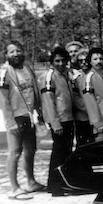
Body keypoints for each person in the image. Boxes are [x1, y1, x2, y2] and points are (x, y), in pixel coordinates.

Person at [0, 41, 45, 200]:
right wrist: (10, 122)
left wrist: (39, 112)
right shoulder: (4, 73)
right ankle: (14, 188)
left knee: (30, 150)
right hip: (15, 118)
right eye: (12, 52)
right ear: (6, 55)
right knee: (15, 152)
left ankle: (31, 182)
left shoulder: (27, 69)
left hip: (29, 116)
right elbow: (3, 101)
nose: (16, 54)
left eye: (19, 50)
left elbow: (35, 92)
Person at [40, 47, 75, 196]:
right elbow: (48, 101)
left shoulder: (65, 75)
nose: (60, 63)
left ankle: (64, 183)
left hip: (68, 119)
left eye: (63, 61)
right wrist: (55, 124)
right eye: (57, 61)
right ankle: (54, 186)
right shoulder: (50, 76)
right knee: (58, 153)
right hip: (59, 121)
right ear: (52, 62)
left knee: (66, 152)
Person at [66, 43, 93, 147]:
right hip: (81, 115)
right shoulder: (71, 73)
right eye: (71, 52)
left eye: (76, 51)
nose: (73, 54)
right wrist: (89, 109)